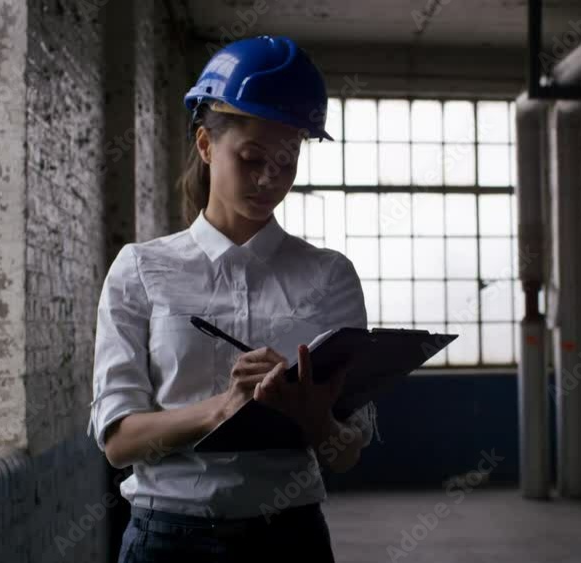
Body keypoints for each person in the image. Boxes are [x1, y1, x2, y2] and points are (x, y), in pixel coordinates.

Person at [86, 35, 379, 562]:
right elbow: (119, 442)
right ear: (205, 145)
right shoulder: (141, 269)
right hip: (166, 542)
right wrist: (222, 409)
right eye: (251, 158)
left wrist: (315, 420)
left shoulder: (329, 276)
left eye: (287, 161)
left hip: (291, 541)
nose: (270, 179)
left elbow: (346, 454)